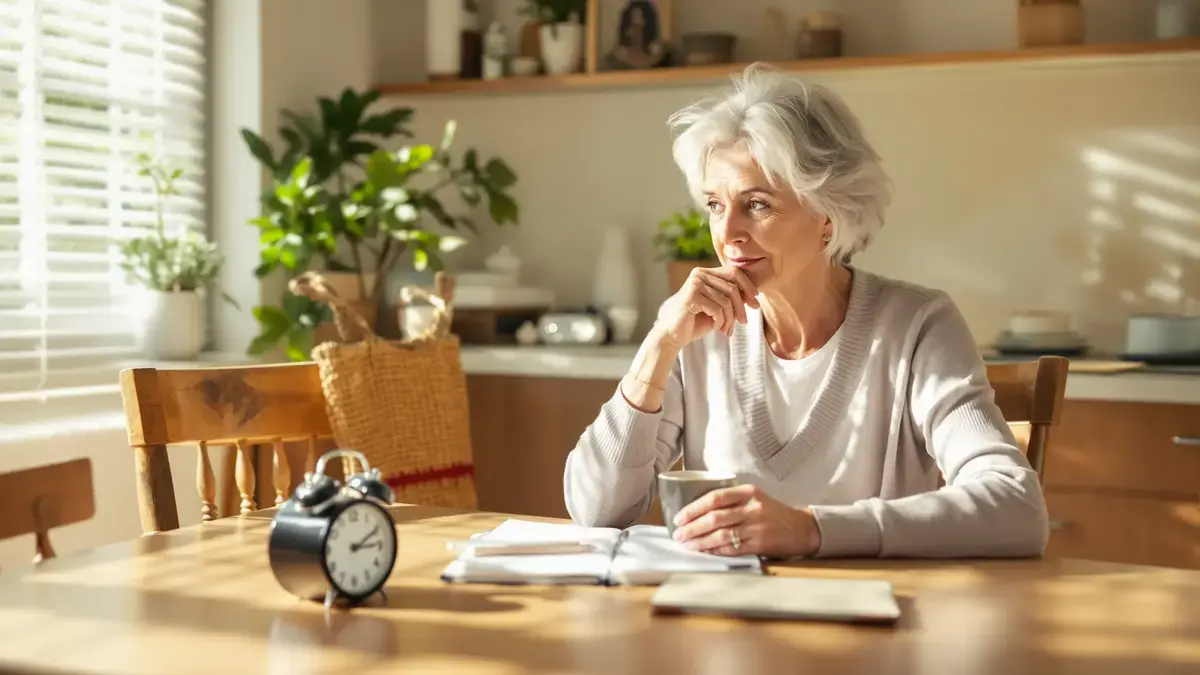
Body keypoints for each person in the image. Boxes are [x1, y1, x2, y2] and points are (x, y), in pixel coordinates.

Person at [562, 64, 1049, 560]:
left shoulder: (917, 326)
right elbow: (595, 509)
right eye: (714, 203)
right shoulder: (696, 331)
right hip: (721, 622)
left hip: (875, 625)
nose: (727, 232)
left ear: (828, 214)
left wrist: (810, 529)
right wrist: (658, 347)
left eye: (757, 205)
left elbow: (1016, 508)